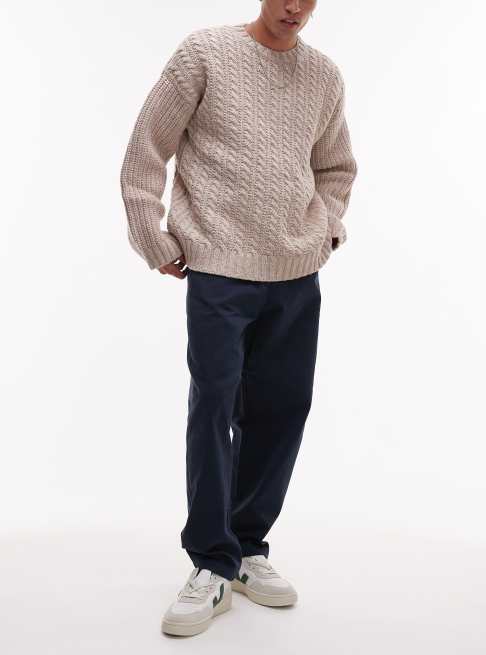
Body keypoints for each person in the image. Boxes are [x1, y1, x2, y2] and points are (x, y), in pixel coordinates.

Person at [120, 0, 357, 637]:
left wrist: (327, 230)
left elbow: (336, 167)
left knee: (283, 410)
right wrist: (153, 237)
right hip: (219, 269)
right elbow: (146, 150)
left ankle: (247, 546)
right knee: (215, 407)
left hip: (295, 274)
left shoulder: (323, 76)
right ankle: (210, 561)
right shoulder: (204, 54)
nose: (294, 7)